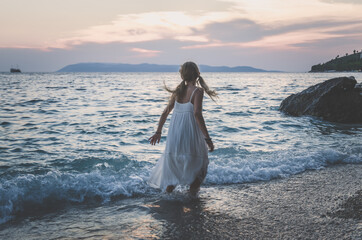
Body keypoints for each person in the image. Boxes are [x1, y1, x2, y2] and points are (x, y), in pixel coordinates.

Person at [148, 61, 217, 195]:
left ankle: (167, 198)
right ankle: (192, 198)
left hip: (175, 133)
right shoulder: (197, 91)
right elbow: (197, 114)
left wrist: (158, 132)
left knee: (175, 166)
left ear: (182, 76)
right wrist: (207, 138)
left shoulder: (178, 92)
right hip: (190, 132)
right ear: (197, 74)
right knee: (200, 167)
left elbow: (165, 112)